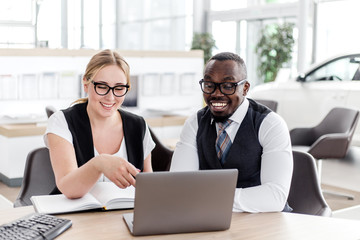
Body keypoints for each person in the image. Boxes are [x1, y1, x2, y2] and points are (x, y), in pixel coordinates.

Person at [170, 52, 293, 213]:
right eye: (209, 85)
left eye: (228, 86)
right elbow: (178, 186)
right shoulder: (195, 123)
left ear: (245, 88)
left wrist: (208, 197)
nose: (216, 93)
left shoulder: (270, 124)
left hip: (266, 222)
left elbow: (275, 197)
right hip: (211, 219)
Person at [44, 49, 155, 199]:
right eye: (102, 86)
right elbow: (67, 187)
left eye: (119, 88)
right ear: (85, 83)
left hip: (122, 214)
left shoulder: (138, 125)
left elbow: (148, 187)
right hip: (76, 215)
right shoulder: (62, 121)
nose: (110, 97)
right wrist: (99, 163)